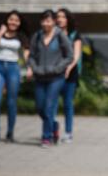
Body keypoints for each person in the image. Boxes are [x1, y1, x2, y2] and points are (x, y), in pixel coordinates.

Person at [27, 10, 73, 148]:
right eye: (44, 20)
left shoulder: (60, 36)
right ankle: (54, 125)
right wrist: (34, 68)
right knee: (40, 107)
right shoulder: (37, 36)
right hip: (40, 77)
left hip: (56, 77)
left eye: (49, 20)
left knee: (48, 106)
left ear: (54, 22)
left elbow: (69, 56)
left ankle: (46, 137)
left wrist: (58, 68)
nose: (46, 23)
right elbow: (31, 56)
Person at [0, 10, 30, 143]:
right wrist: (0, 33)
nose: (13, 22)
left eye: (16, 20)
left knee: (11, 102)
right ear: (7, 20)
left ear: (19, 23)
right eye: (11, 19)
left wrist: (29, 68)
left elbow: (26, 54)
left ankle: (10, 132)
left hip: (13, 68)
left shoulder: (21, 36)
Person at [53, 8, 82, 144]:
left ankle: (68, 133)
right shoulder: (52, 34)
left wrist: (69, 68)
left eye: (63, 17)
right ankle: (52, 129)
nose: (60, 19)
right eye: (58, 17)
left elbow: (76, 55)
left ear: (68, 19)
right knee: (51, 103)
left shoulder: (74, 35)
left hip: (70, 73)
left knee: (67, 104)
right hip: (54, 73)